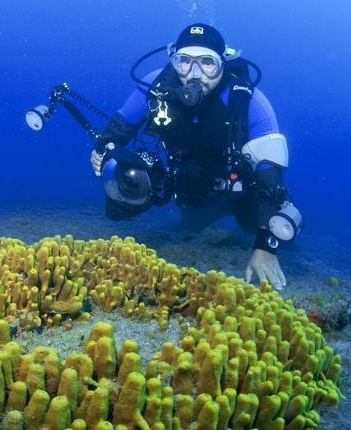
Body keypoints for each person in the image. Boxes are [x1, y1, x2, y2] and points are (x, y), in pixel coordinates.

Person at [89, 23, 302, 289]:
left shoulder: (249, 101)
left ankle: (238, 212)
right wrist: (103, 149)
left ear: (223, 63)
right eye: (184, 62)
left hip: (237, 185)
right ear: (173, 60)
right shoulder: (158, 85)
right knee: (182, 220)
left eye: (207, 63)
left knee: (259, 224)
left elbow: (271, 180)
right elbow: (119, 125)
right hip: (189, 186)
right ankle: (206, 211)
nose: (194, 74)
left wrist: (265, 246)